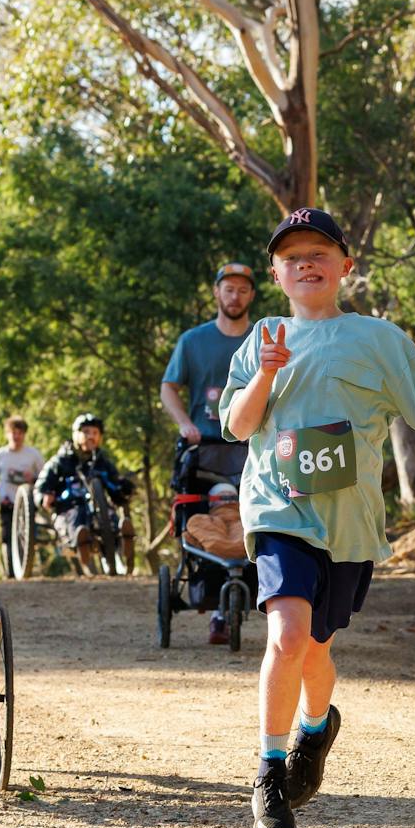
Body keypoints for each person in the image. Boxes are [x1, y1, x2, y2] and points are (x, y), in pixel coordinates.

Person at [221, 207, 415, 828]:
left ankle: (315, 729)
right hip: (276, 507)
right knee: (287, 637)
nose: (306, 263)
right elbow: (237, 427)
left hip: (347, 523)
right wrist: (265, 371)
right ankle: (266, 776)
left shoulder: (379, 340)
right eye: (292, 256)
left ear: (346, 266)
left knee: (314, 647)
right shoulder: (263, 334)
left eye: (320, 252)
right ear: (276, 273)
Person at [163, 262, 256, 642]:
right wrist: (184, 423)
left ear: (252, 295)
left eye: (242, 290)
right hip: (203, 447)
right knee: (203, 519)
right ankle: (213, 598)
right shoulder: (193, 340)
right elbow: (169, 386)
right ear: (217, 293)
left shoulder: (262, 338)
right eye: (228, 289)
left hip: (252, 446)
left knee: (250, 519)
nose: (235, 296)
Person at [35, 413, 134, 573]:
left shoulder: (103, 462)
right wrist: (44, 496)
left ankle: (122, 541)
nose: (91, 437)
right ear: (76, 435)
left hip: (98, 510)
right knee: (76, 518)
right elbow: (41, 485)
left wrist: (124, 488)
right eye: (86, 432)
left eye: (95, 433)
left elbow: (115, 484)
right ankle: (81, 543)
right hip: (69, 508)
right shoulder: (60, 461)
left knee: (110, 516)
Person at [0, 417, 44, 572]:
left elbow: (44, 477)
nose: (16, 436)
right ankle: (10, 571)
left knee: (27, 535)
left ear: (24, 435)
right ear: (7, 434)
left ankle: (27, 567)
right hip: (7, 500)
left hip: (27, 503)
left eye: (20, 433)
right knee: (7, 536)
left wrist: (32, 478)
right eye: (13, 432)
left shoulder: (33, 454)